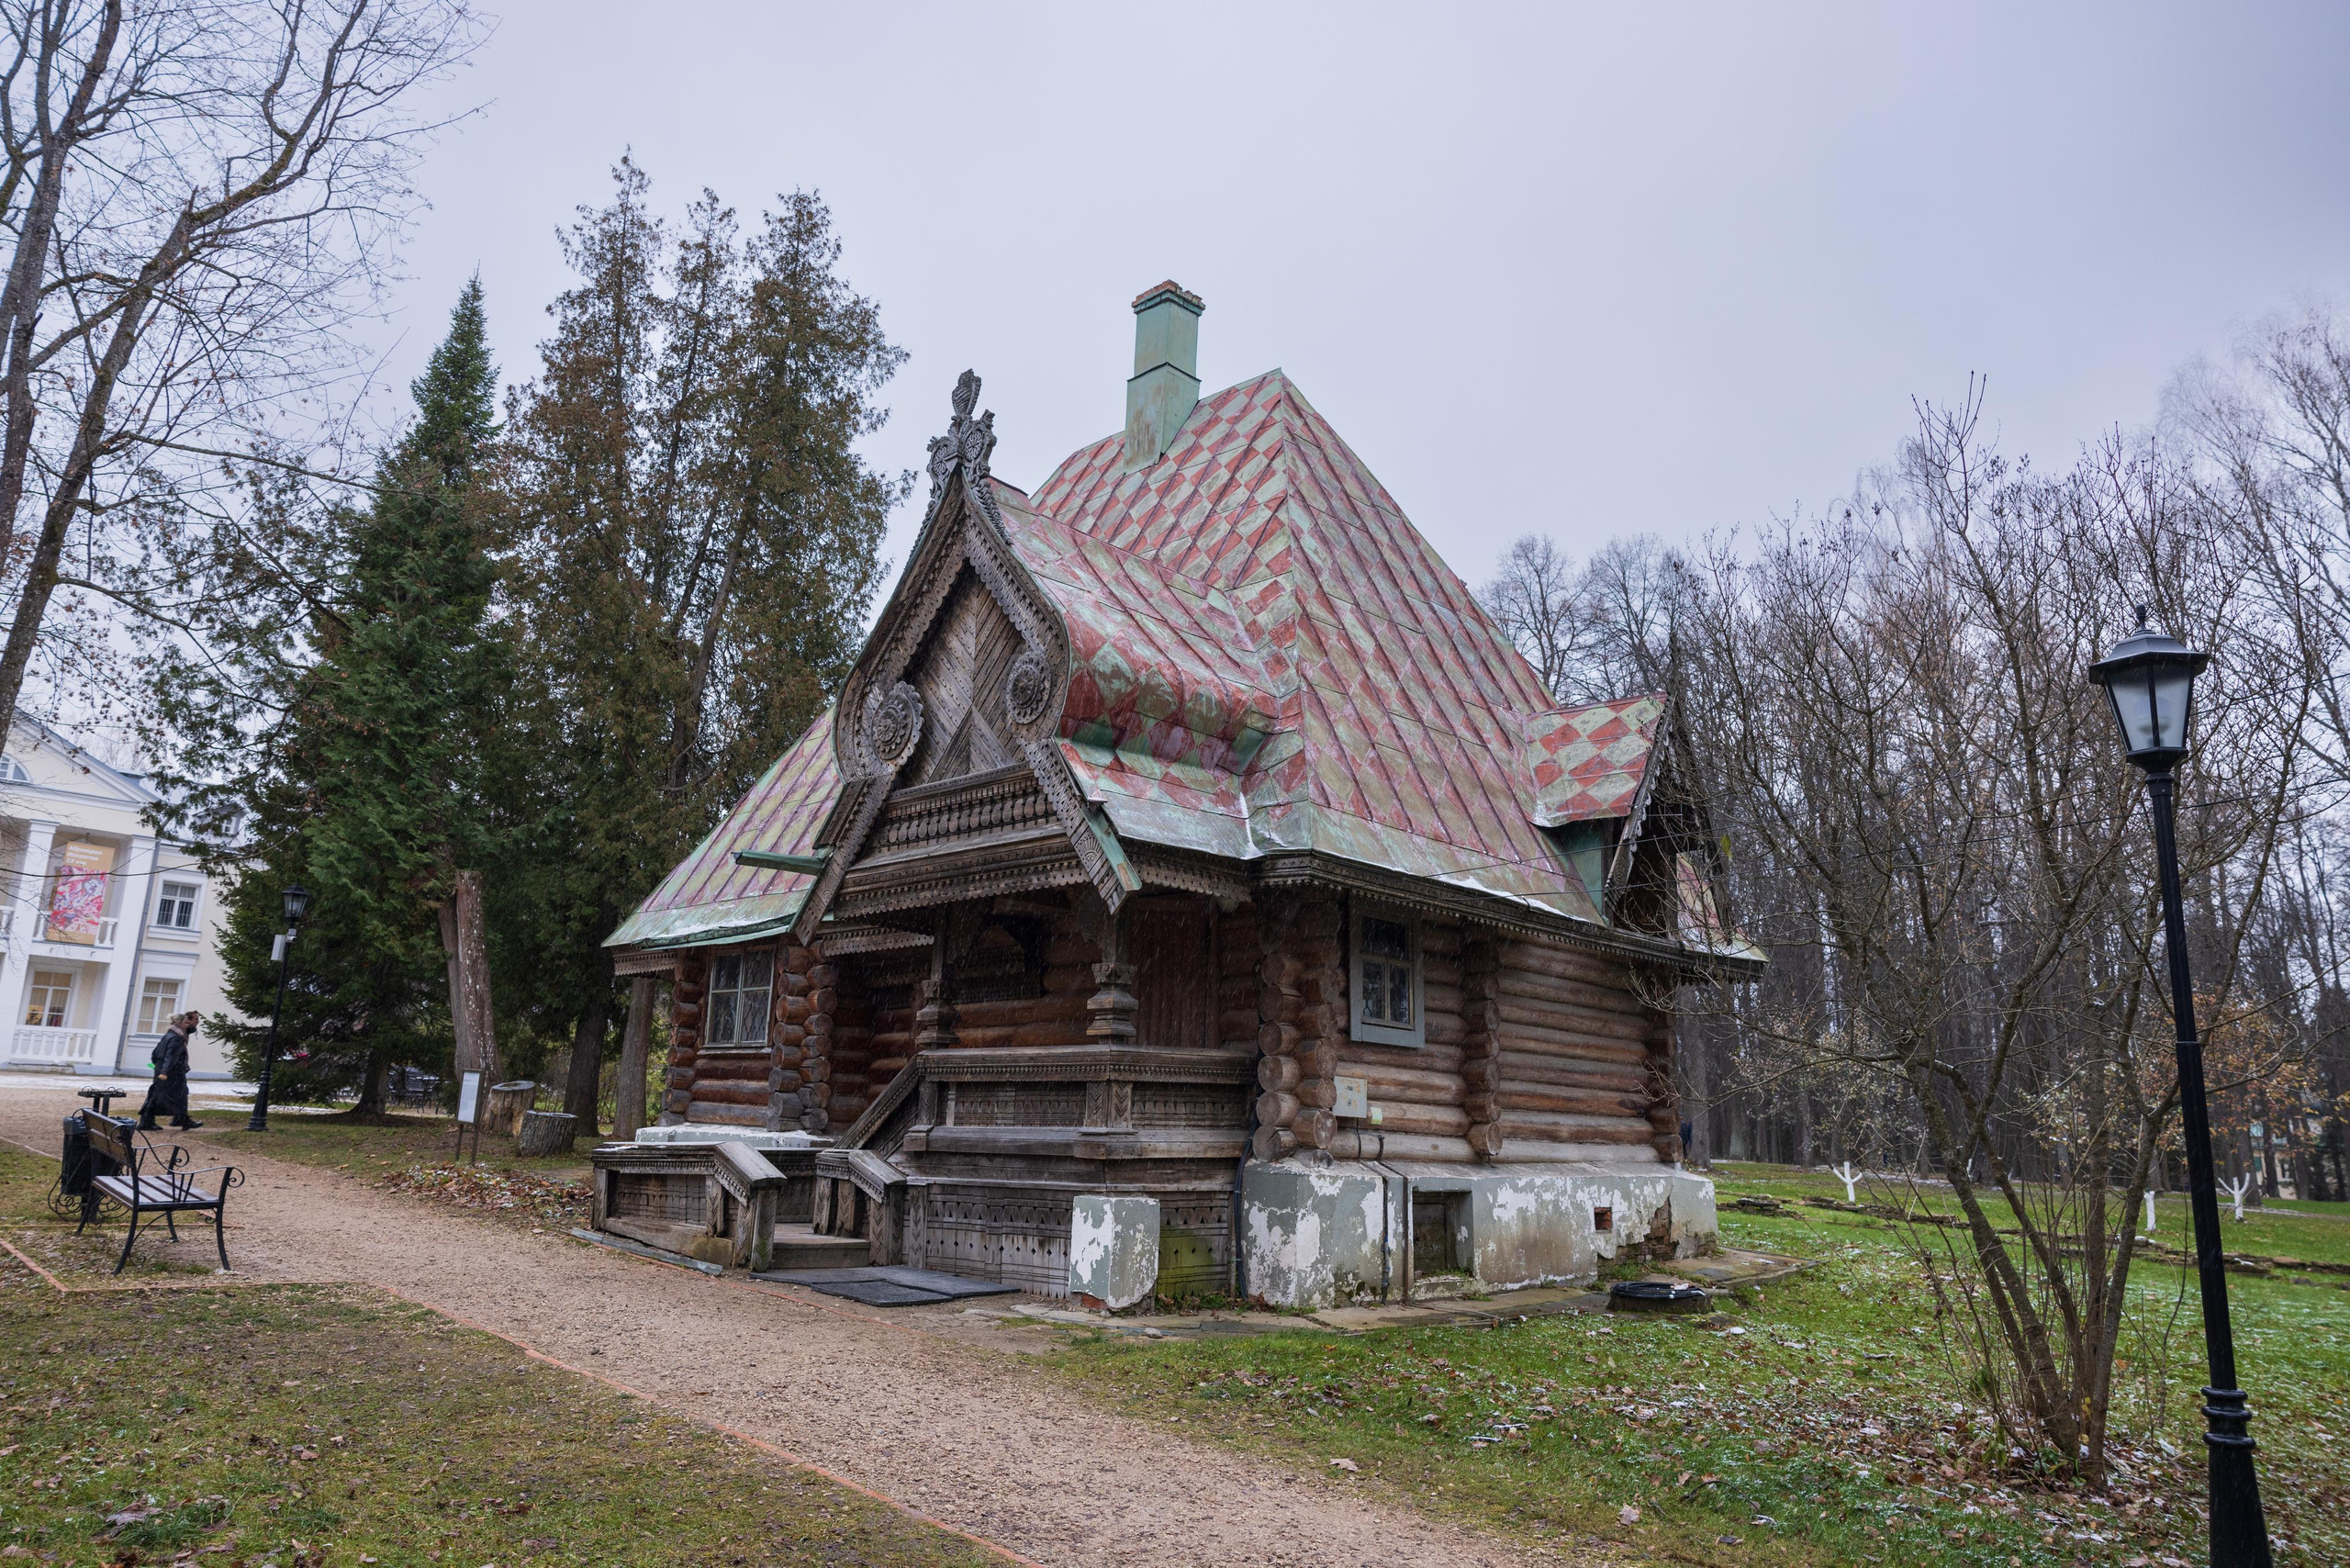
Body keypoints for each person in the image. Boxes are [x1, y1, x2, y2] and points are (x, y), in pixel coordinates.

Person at [137, 1012, 203, 1131]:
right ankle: (182, 1120)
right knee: (180, 1095)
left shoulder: (170, 1034)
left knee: (157, 1094)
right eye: (186, 1022)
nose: (188, 1025)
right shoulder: (176, 1038)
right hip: (172, 1072)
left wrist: (158, 1068)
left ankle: (147, 1121)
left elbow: (155, 1053)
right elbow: (170, 1056)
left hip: (163, 1070)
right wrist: (165, 1072)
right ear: (179, 1023)